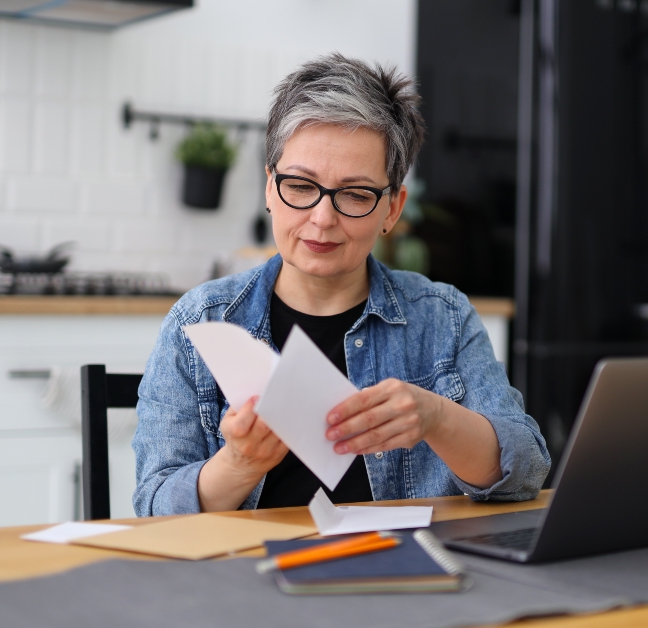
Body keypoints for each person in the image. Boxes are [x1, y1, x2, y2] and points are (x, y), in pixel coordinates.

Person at [133, 53, 550, 515]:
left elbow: (527, 472)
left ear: (392, 209)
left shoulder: (442, 317)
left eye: (355, 194)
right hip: (245, 576)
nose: (322, 218)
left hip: (405, 573)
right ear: (270, 187)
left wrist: (436, 417)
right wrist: (239, 463)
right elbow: (154, 510)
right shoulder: (201, 321)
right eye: (300, 186)